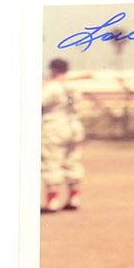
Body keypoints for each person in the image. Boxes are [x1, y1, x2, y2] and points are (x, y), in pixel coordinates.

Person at [41, 58, 85, 211]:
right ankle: (74, 198)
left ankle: (53, 200)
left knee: (51, 160)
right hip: (74, 125)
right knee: (72, 161)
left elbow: (39, 103)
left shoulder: (52, 87)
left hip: (55, 125)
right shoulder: (74, 86)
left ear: (53, 69)